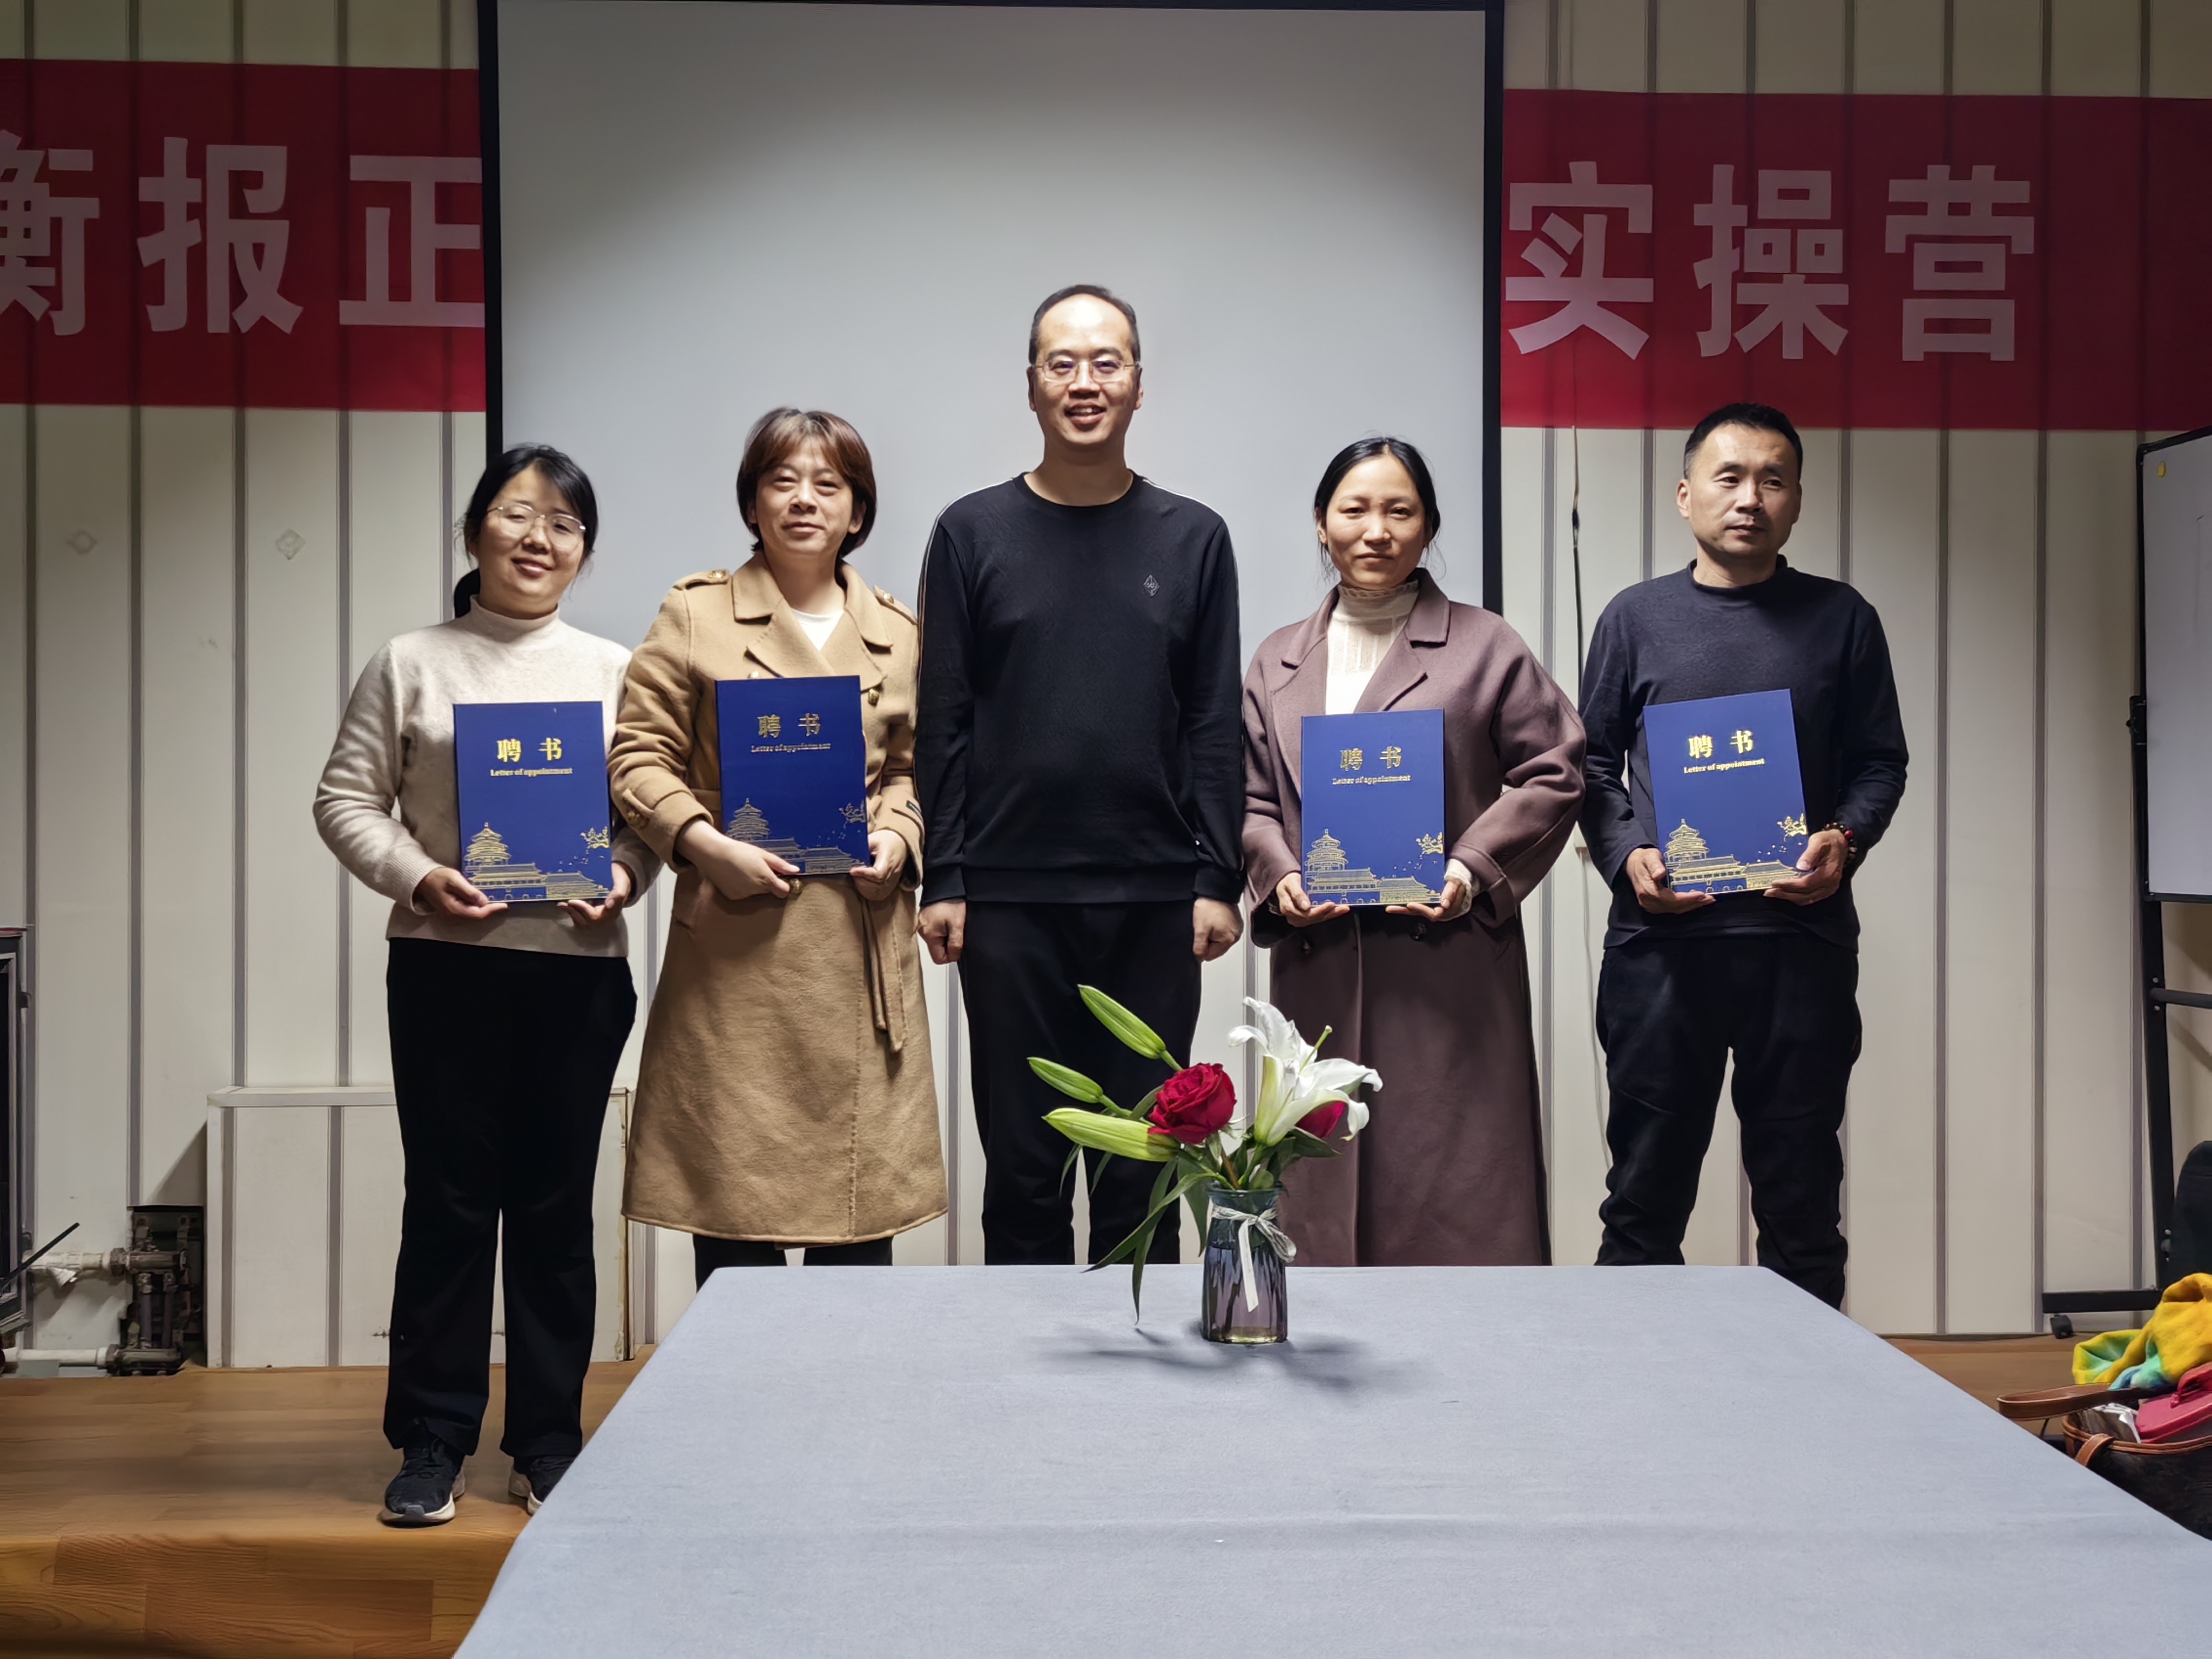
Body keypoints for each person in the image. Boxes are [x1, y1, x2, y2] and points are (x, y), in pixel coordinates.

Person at [315, 444, 656, 1526]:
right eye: (516, 514)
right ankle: (432, 1439)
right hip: (444, 968)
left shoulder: (615, 671)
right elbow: (344, 800)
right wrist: (419, 876)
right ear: (475, 534)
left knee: (556, 1211)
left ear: (584, 551)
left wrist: (622, 877)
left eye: (563, 523)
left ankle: (549, 1439)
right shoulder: (411, 661)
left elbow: (647, 818)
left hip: (577, 976)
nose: (538, 538)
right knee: (449, 1204)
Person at [914, 284, 1244, 1264]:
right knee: (1024, 1168)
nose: (1085, 382)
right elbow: (945, 716)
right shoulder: (971, 532)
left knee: (1143, 1164)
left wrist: (1217, 876)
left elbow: (1212, 720)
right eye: (1063, 363)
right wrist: (945, 875)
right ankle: (1025, 1362)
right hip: (1008, 899)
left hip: (1154, 899)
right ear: (1031, 386)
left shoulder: (1194, 537)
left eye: (1108, 362)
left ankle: (1137, 1362)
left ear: (1140, 383)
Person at [1579, 402, 1908, 1308]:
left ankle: (1810, 1389)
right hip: (1660, 950)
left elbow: (1880, 762)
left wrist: (1846, 838)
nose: (1750, 498)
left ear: (1797, 500)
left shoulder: (1842, 619)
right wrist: (1627, 854)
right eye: (1729, 477)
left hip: (1799, 946)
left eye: (1773, 480)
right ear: (1686, 494)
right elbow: (1589, 765)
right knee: (1642, 1202)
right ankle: (1638, 1383)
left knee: (1802, 1203)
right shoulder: (1635, 618)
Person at [611, 409, 945, 1285]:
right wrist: (701, 843)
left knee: (858, 1234)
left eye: (828, 484)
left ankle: (847, 1384)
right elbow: (637, 756)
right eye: (782, 481)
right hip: (736, 953)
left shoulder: (900, 632)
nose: (804, 500)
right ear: (752, 502)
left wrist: (899, 835)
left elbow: (918, 771)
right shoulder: (696, 615)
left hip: (857, 942)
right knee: (735, 1224)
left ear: (858, 512)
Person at [1243, 437, 1584, 1265]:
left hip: (1449, 965)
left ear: (1429, 527)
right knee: (1319, 1180)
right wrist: (1280, 879)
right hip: (1321, 960)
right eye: (1355, 509)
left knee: (1457, 1188)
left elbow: (1556, 769)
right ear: (1321, 524)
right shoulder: (1277, 659)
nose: (1377, 530)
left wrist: (1470, 866)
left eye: (1400, 511)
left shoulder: (1485, 645)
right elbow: (1250, 802)